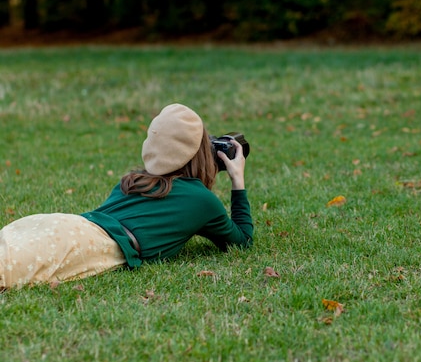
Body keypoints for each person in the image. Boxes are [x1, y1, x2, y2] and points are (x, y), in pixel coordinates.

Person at [0, 103, 253, 290]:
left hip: (64, 225)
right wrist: (237, 181)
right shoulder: (202, 201)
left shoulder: (133, 181)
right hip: (87, 245)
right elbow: (241, 241)